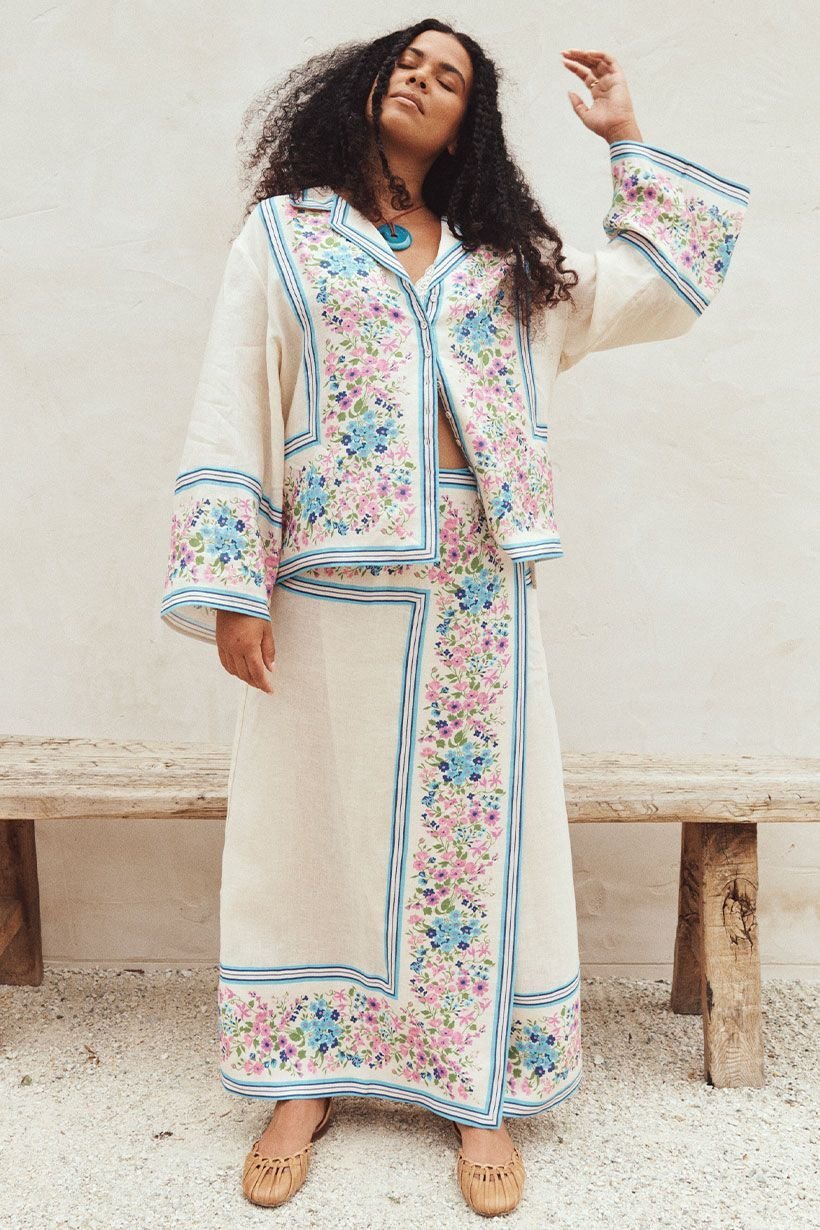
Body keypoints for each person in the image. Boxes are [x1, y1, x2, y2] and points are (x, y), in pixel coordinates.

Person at [160, 19, 750, 1218]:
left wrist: (625, 137)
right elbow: (236, 393)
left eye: (450, 79)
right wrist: (231, 587)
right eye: (408, 64)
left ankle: (477, 1091)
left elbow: (663, 289)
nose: (423, 82)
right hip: (323, 578)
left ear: (466, 121)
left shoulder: (507, 259)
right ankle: (302, 1078)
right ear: (362, 85)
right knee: (308, 823)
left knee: (478, 841)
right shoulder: (288, 236)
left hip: (478, 583)